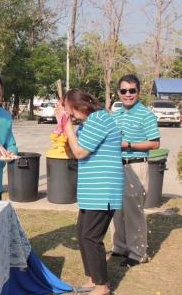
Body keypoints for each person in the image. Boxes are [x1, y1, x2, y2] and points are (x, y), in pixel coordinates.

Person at [55, 89, 124, 295]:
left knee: (91, 237)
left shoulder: (98, 120)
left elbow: (80, 151)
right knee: (83, 233)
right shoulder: (88, 123)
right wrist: (63, 129)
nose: (70, 115)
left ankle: (102, 287)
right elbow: (74, 152)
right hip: (91, 191)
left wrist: (67, 126)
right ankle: (94, 279)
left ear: (80, 105)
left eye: (69, 111)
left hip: (102, 190)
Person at [110, 75, 160, 267]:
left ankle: (137, 253)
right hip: (117, 166)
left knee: (133, 211)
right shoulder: (115, 115)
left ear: (138, 92)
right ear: (119, 93)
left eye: (132, 90)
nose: (128, 94)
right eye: (124, 91)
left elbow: (155, 143)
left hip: (136, 165)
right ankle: (120, 247)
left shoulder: (146, 115)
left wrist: (128, 144)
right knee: (117, 209)